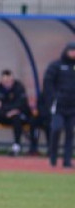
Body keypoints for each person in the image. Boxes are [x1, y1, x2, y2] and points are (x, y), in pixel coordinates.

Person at [41, 41, 75, 169]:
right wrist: (53, 98)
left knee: (70, 133)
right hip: (58, 106)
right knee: (56, 129)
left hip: (73, 106)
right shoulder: (56, 66)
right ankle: (53, 158)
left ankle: (67, 161)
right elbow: (48, 84)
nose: (73, 53)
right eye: (71, 50)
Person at [0, 69, 31, 155]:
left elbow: (21, 104)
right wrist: (4, 111)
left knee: (16, 118)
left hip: (15, 116)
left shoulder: (19, 87)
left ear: (12, 80)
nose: (7, 83)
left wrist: (5, 108)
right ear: (1, 80)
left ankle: (17, 145)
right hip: (2, 115)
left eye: (9, 81)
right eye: (5, 81)